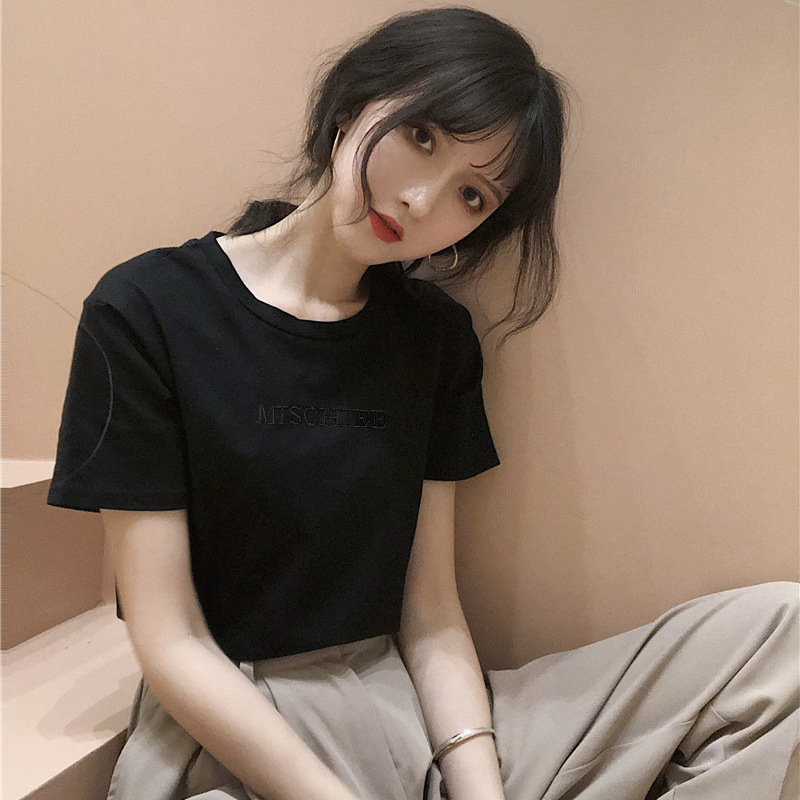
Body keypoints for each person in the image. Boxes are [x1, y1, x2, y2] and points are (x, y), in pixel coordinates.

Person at [46, 7, 798, 800]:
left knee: (780, 634)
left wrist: (478, 786)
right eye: (423, 136)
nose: (417, 200)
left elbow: (431, 613)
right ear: (352, 102)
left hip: (402, 709)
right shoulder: (148, 309)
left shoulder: (436, 339)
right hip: (238, 730)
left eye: (471, 195)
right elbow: (171, 643)